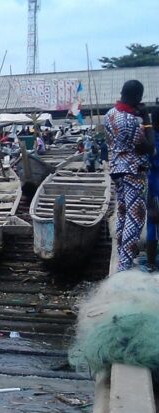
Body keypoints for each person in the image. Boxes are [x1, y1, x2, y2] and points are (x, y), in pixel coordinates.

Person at [104, 79, 155, 272]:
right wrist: (147, 120)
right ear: (137, 97)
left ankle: (121, 256)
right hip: (134, 172)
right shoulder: (132, 121)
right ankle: (124, 266)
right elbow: (150, 148)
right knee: (135, 218)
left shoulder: (110, 115)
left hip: (117, 169)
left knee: (123, 213)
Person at [146, 108, 159, 271]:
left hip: (154, 188)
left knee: (152, 226)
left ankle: (150, 264)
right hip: (154, 187)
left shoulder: (150, 141)